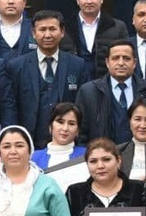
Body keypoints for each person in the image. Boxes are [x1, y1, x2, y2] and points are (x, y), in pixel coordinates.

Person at [7, 10, 90, 149]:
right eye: (42, 29)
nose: (47, 35)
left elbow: (83, 106)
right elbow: (10, 106)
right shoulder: (16, 66)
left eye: (52, 29)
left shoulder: (77, 65)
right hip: (29, 142)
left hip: (67, 143)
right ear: (33, 33)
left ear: (62, 32)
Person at [74, 39, 146, 144]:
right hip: (102, 153)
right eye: (115, 58)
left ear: (134, 63)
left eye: (126, 58)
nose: (121, 63)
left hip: (142, 152)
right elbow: (81, 135)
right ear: (107, 62)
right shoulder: (88, 92)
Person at [61, 0, 130, 79]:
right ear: (77, 0)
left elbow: (127, 57)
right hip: (73, 83)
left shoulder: (118, 27)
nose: (89, 1)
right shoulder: (64, 28)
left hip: (106, 84)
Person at [31, 102, 86, 171]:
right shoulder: (34, 158)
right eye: (60, 122)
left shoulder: (86, 156)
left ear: (78, 130)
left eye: (71, 124)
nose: (65, 128)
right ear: (50, 126)